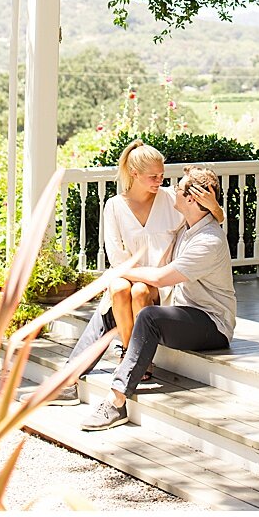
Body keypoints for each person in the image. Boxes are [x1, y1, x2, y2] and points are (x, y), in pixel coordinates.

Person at [67, 167, 239, 431]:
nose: (173, 191)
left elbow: (159, 278)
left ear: (192, 199)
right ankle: (67, 381)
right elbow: (212, 213)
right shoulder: (188, 226)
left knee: (149, 317)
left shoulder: (208, 241)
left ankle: (117, 401)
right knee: (114, 301)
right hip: (186, 311)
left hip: (212, 325)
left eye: (179, 189)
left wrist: (119, 271)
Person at [98, 140, 224, 357]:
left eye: (161, 175)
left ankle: (141, 357)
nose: (160, 181)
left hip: (162, 281)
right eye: (153, 177)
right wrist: (125, 274)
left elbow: (214, 221)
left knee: (140, 290)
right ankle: (129, 352)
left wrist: (213, 205)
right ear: (135, 173)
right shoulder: (114, 206)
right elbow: (116, 255)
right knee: (118, 288)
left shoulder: (172, 199)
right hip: (128, 273)